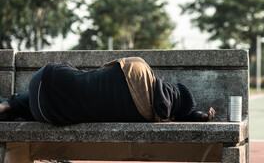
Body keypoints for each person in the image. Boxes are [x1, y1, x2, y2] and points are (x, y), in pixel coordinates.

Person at [0, 57, 215, 125]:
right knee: (70, 101)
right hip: (47, 114)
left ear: (171, 88)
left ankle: (8, 103)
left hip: (46, 77)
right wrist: (196, 116)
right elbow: (171, 113)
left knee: (78, 84)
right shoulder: (147, 116)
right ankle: (11, 105)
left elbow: (103, 69)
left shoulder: (138, 67)